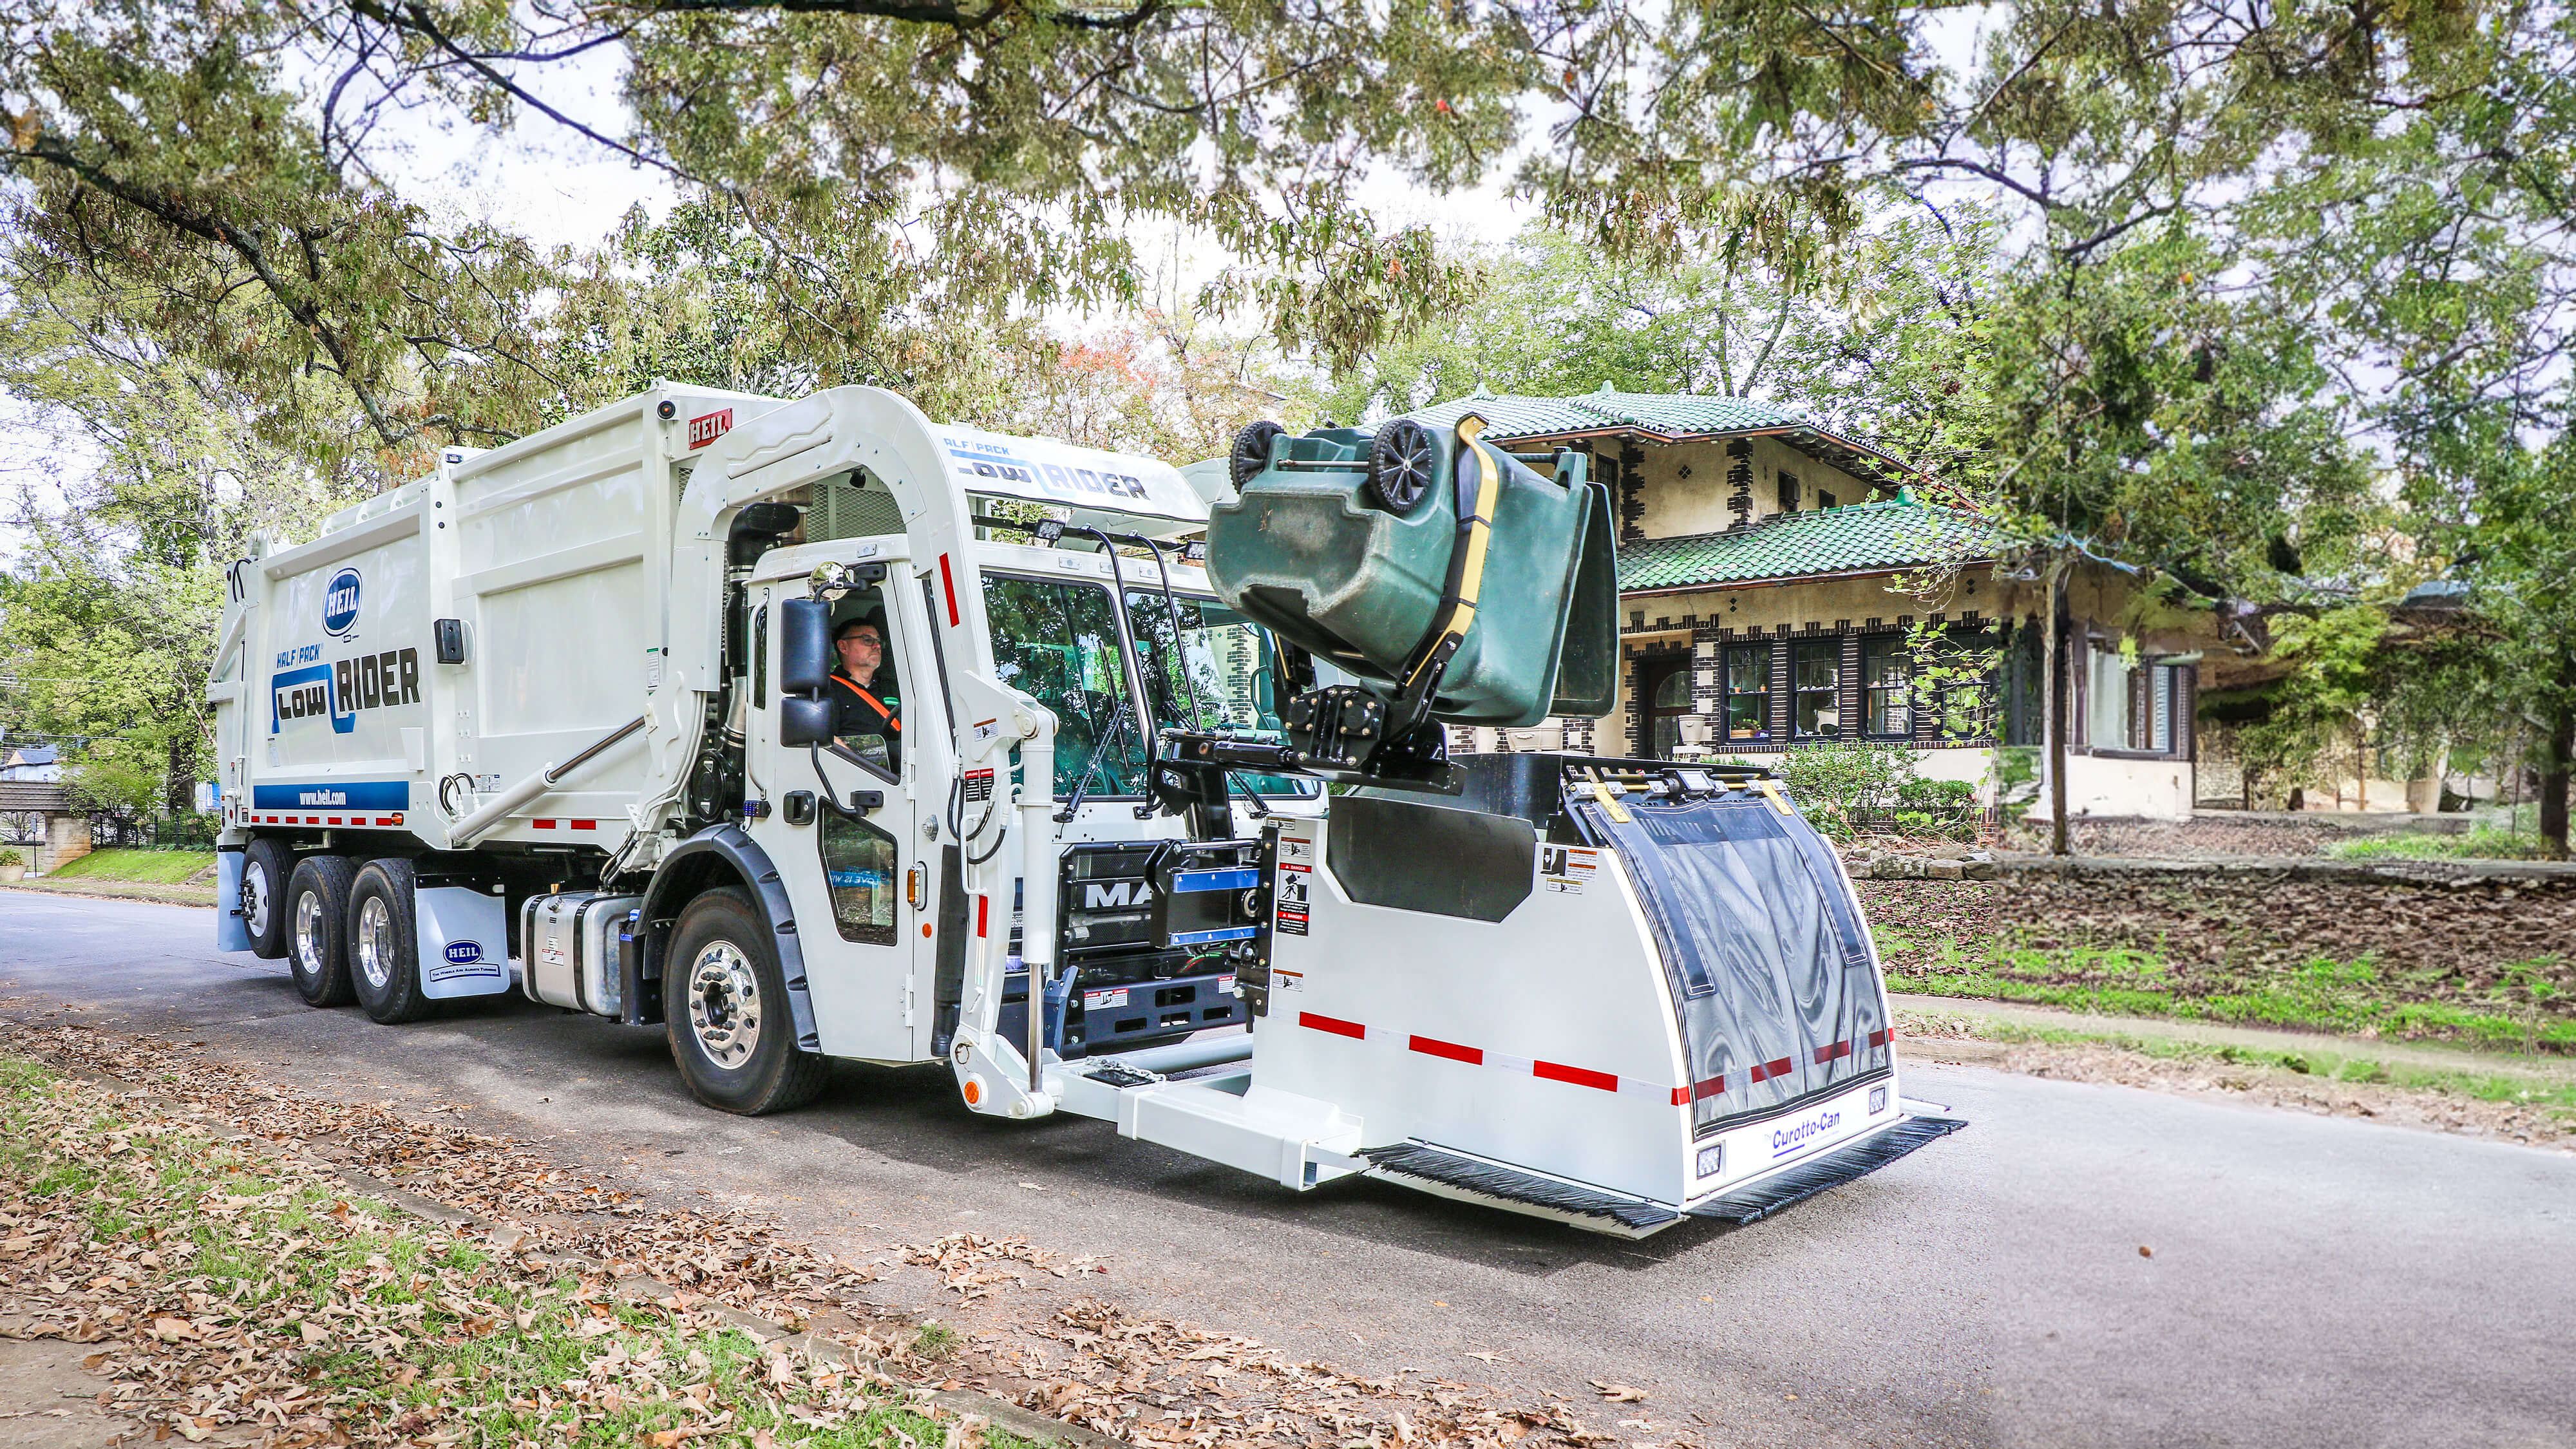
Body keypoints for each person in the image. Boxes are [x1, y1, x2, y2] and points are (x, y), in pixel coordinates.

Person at [828, 613, 901, 771]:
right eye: (868, 640)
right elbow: (825, 738)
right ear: (843, 647)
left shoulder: (896, 687)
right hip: (863, 779)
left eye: (879, 641)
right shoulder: (827, 690)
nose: (877, 646)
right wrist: (866, 770)